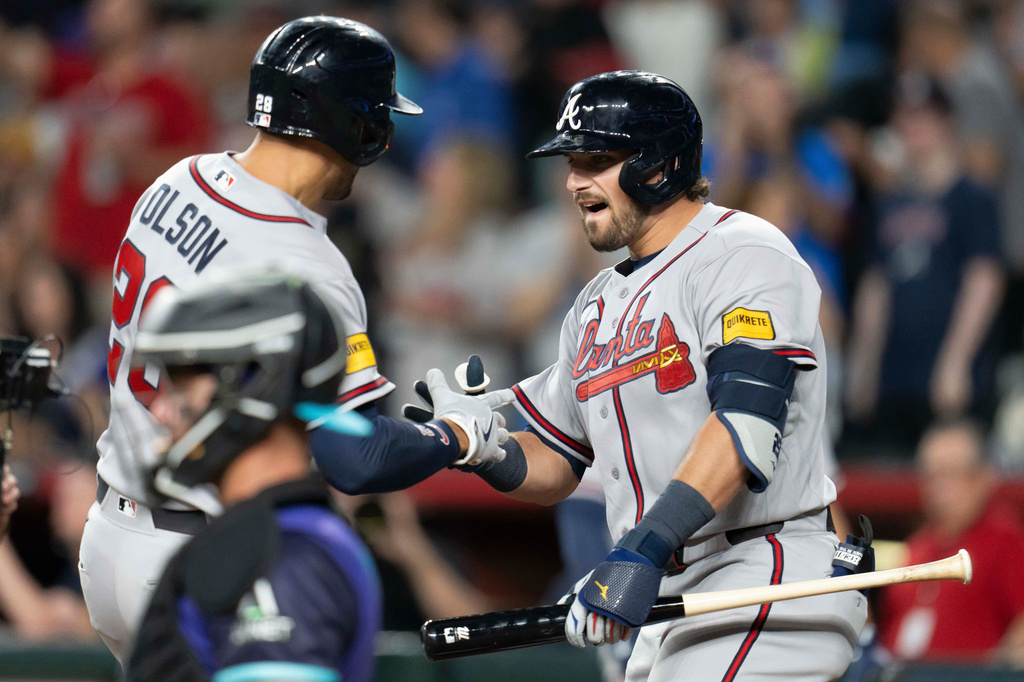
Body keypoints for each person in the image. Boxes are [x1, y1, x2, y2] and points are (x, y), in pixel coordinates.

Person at [80, 16, 511, 667]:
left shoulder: (179, 177)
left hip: (109, 535)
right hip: (202, 558)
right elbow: (353, 458)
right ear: (348, 122)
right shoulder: (309, 263)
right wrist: (457, 435)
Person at [414, 71, 869, 680]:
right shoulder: (594, 304)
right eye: (572, 162)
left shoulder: (744, 253)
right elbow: (560, 457)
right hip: (667, 593)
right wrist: (480, 448)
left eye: (596, 160)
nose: (575, 181)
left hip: (761, 572)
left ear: (659, 165)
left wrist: (639, 550)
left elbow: (744, 428)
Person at [124, 271, 382, 682]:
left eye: (181, 392)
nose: (162, 413)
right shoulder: (281, 536)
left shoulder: (288, 556)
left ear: (252, 385)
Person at [877, 419, 1024, 667]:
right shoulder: (916, 547)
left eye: (952, 474)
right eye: (932, 476)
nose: (939, 489)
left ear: (982, 477)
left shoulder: (1004, 541)